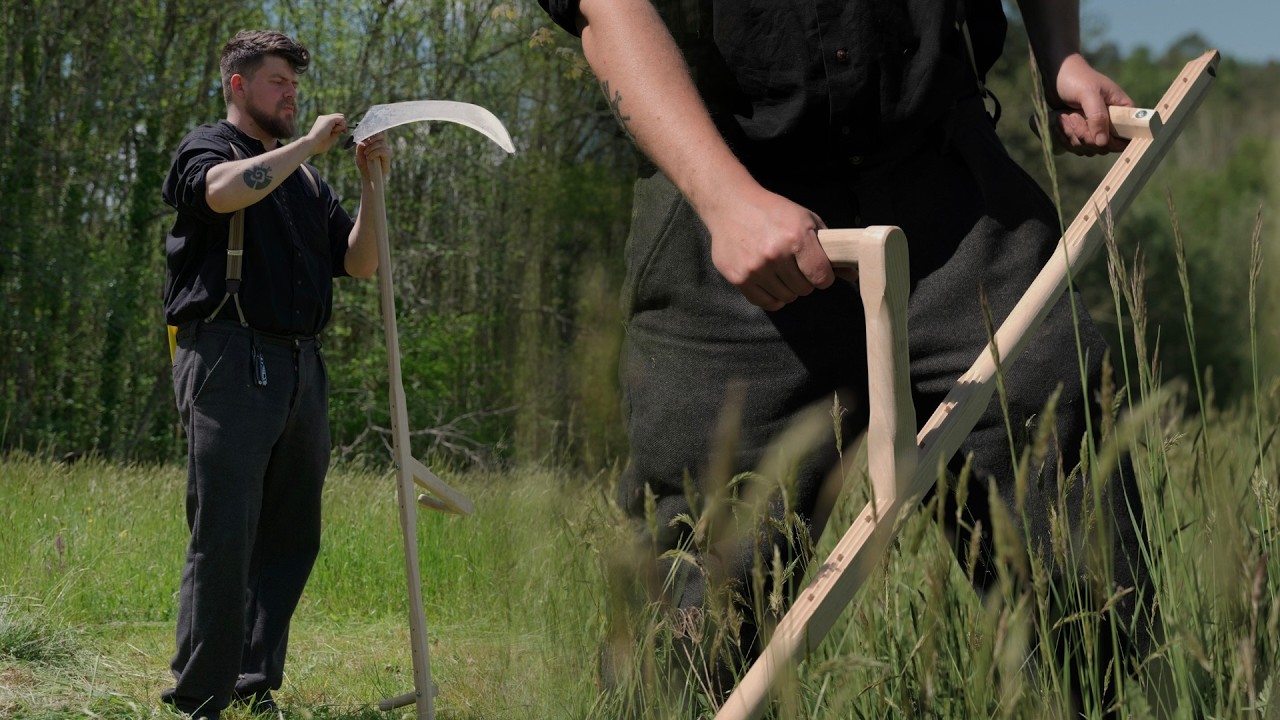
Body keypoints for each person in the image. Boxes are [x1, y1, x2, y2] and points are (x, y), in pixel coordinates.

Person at [537, 0, 1157, 713]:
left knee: (1072, 521)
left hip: (951, 184)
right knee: (694, 596)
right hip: (729, 205)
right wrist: (724, 199)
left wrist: (1061, 55)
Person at [159, 30, 389, 720]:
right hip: (228, 351)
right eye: (278, 82)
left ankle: (252, 686)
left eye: (294, 84)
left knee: (292, 535)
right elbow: (219, 195)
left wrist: (370, 184)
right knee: (226, 531)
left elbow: (359, 263)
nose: (291, 95)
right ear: (238, 84)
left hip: (300, 364)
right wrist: (309, 146)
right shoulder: (211, 147)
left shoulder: (310, 180)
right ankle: (198, 698)